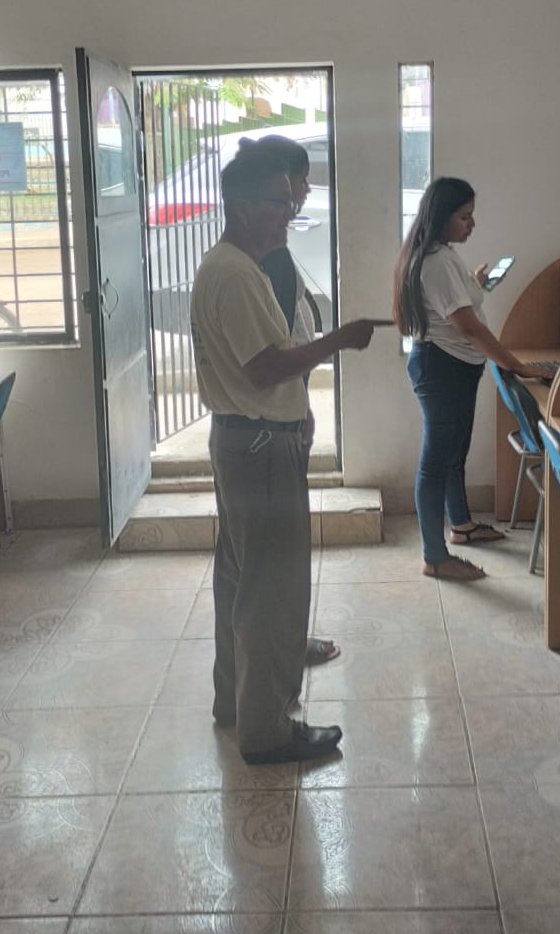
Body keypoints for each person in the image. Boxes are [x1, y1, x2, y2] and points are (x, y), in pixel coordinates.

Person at [190, 148, 375, 764]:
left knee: (241, 581)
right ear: (243, 207)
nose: (290, 212)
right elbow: (266, 368)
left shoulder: (228, 264)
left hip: (243, 442)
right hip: (261, 449)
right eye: (280, 201)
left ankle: (234, 702)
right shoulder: (239, 276)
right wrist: (339, 340)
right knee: (272, 594)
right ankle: (268, 731)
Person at [392, 176, 554, 582]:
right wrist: (516, 365)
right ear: (441, 217)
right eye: (464, 217)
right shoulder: (436, 262)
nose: (472, 224)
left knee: (454, 452)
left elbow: (456, 306)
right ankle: (434, 557)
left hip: (452, 367)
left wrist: (475, 284)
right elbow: (469, 327)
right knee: (436, 462)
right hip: (442, 369)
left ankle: (462, 525)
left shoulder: (441, 254)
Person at [237, 132, 340, 674]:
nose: (303, 194)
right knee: (279, 555)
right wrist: (301, 401)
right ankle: (283, 648)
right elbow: (277, 350)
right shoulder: (264, 260)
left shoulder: (266, 253)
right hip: (275, 419)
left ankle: (283, 644)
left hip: (285, 408)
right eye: (300, 182)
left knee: (274, 553)